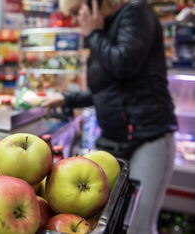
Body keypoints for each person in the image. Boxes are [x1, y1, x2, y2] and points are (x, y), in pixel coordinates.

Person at [42, 0, 178, 233]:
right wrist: (67, 99)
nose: (74, 21)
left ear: (94, 4)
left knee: (139, 226)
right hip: (114, 138)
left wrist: (94, 33)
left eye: (76, 12)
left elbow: (124, 64)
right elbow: (105, 91)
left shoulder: (136, 13)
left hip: (149, 136)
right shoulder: (102, 32)